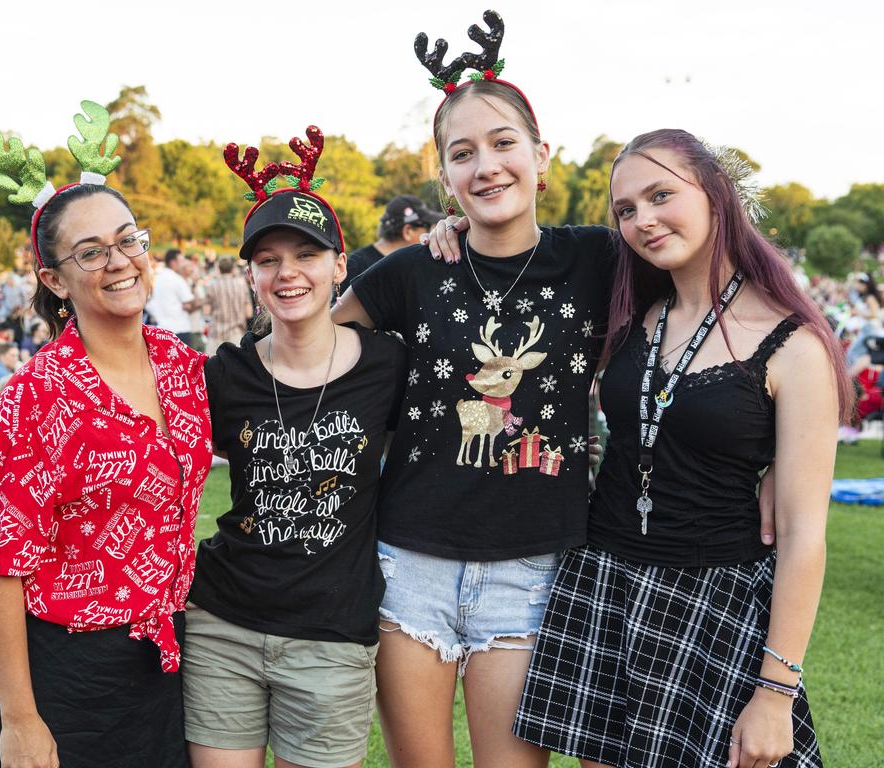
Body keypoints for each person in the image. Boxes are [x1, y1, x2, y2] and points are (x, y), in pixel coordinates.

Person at [332, 12, 617, 766]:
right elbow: (310, 350)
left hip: (530, 570)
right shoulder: (410, 272)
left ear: (540, 154)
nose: (486, 166)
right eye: (463, 154)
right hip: (410, 565)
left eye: (502, 144)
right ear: (445, 178)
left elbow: (707, 275)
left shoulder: (598, 260)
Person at [511, 129, 846, 768]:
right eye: (626, 210)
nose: (644, 220)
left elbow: (805, 532)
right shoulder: (631, 313)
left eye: (662, 194)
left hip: (713, 600)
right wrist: (448, 228)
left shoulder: (793, 344)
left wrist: (776, 693)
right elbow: (515, 261)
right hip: (604, 581)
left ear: (716, 193)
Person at [0, 101, 212, 768]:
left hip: (156, 668)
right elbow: (1, 568)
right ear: (54, 278)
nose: (119, 261)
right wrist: (20, 721)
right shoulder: (36, 395)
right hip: (59, 670)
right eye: (91, 252)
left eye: (128, 240)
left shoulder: (184, 368)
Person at [183, 127, 406, 768]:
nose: (288, 274)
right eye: (268, 260)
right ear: (251, 276)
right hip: (222, 625)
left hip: (332, 636)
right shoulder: (225, 375)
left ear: (340, 265)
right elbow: (130, 430)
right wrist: (5, 445)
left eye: (306, 255)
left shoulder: (388, 365)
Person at [339, 195, 443, 292]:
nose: (429, 234)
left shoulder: (411, 264)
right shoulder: (355, 267)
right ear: (408, 231)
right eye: (427, 227)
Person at [147, 248, 203, 345]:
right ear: (173, 263)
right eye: (181, 261)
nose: (183, 264)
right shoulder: (176, 279)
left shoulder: (159, 277)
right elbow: (190, 303)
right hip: (180, 329)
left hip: (163, 329)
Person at [203, 256, 252, 349]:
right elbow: (248, 313)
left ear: (219, 269)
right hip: (236, 333)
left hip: (216, 334)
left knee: (214, 363)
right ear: (233, 269)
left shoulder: (211, 285)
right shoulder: (241, 285)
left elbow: (206, 312)